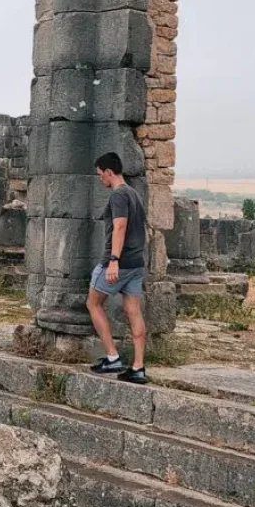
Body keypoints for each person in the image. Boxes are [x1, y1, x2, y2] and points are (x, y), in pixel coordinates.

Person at [87, 152, 148, 384]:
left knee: (92, 303)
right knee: (133, 310)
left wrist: (113, 260)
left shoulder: (118, 196)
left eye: (100, 175)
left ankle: (112, 356)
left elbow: (120, 226)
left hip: (118, 263)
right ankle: (138, 367)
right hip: (136, 263)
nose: (100, 179)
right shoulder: (134, 193)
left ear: (109, 172)